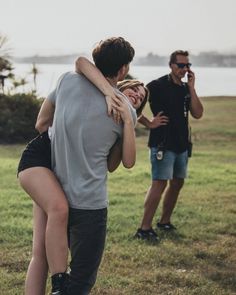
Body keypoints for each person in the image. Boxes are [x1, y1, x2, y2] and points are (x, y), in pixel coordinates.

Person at [46, 36, 139, 295]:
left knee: (55, 270)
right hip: (90, 204)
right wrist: (129, 123)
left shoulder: (66, 81)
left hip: (55, 193)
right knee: (81, 280)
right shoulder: (123, 108)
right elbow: (127, 162)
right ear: (123, 70)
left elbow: (42, 122)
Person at [135, 50, 204, 241]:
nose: (184, 69)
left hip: (182, 144)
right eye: (180, 65)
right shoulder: (156, 86)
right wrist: (148, 122)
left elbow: (198, 113)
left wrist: (191, 87)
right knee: (159, 183)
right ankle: (144, 228)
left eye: (187, 66)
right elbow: (132, 106)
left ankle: (164, 222)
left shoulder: (185, 89)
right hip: (162, 144)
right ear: (171, 65)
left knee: (177, 183)